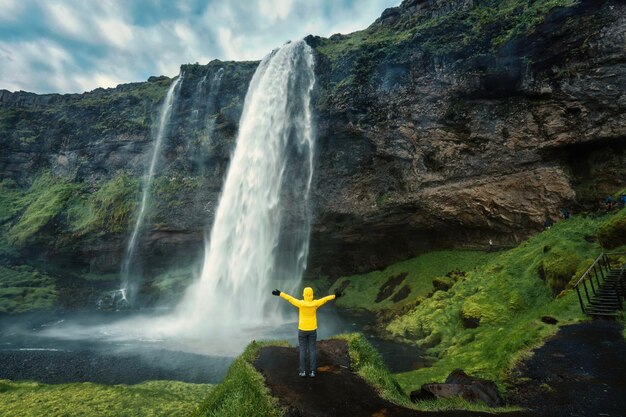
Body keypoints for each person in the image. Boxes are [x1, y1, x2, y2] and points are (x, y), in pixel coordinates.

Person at [272, 287, 341, 378]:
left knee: (303, 350)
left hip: (302, 330)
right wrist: (335, 296)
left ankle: (303, 371)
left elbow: (289, 298)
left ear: (304, 295)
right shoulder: (315, 303)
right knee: (312, 350)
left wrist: (280, 293)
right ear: (312, 295)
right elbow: (325, 299)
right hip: (312, 330)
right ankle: (312, 372)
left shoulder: (300, 304)